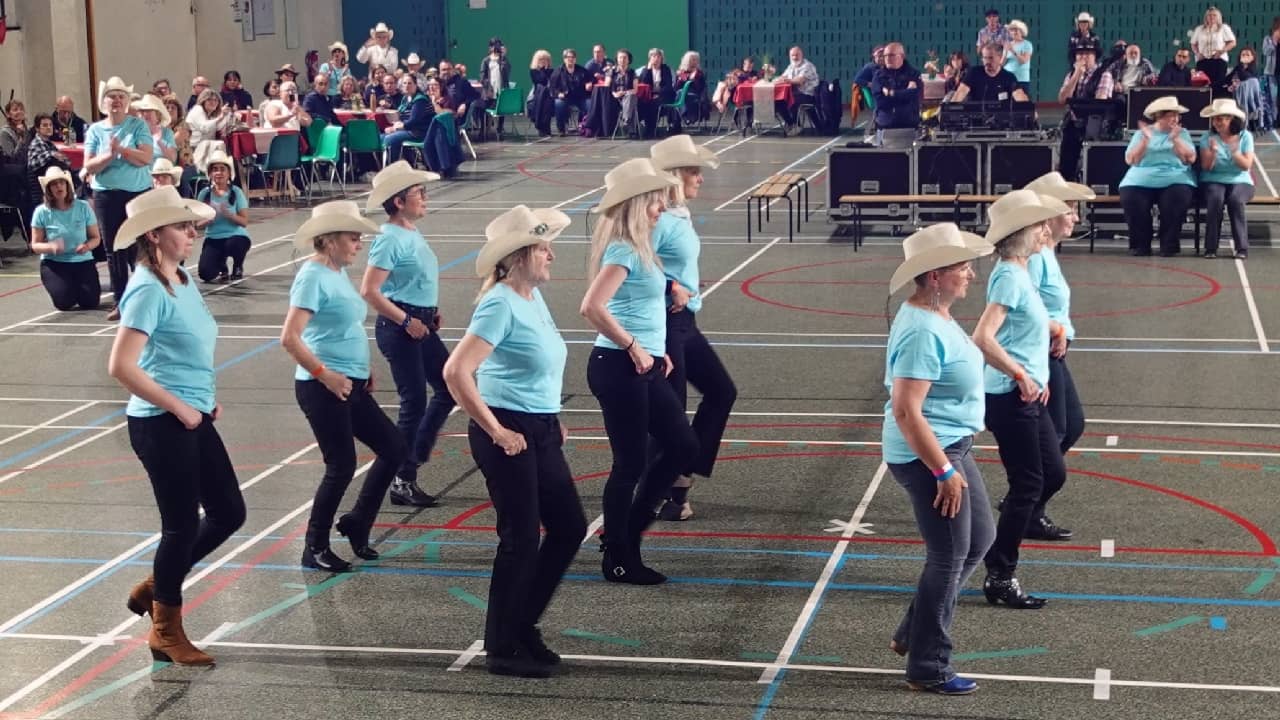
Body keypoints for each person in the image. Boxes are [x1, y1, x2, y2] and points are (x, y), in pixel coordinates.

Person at [442, 205, 585, 679]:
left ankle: (522, 623)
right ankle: (502, 646)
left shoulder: (531, 297)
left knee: (568, 526)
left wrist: (552, 417)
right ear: (520, 255)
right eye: (543, 248)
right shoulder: (500, 302)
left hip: (539, 427)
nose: (551, 256)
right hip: (505, 428)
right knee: (520, 539)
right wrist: (496, 431)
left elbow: (537, 365)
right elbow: (456, 372)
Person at [107, 186, 237, 666]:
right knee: (180, 527)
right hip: (162, 424)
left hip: (192, 413)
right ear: (155, 234)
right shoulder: (144, 288)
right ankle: (166, 630)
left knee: (229, 512)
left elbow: (182, 350)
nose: (192, 233)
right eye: (183, 226)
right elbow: (121, 366)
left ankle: (159, 585)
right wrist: (181, 408)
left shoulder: (181, 278)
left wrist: (203, 399)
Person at [882, 223, 995, 696]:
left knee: (980, 539)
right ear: (933, 276)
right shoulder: (922, 331)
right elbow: (907, 411)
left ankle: (914, 630)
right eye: (961, 266)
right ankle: (928, 666)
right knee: (948, 556)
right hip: (928, 453)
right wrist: (943, 471)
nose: (970, 273)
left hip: (950, 443)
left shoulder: (939, 314)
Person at [580, 158, 698, 584]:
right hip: (618, 365)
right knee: (628, 464)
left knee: (684, 446)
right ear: (635, 205)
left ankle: (625, 535)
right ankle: (619, 554)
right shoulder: (622, 250)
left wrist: (657, 348)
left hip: (645, 363)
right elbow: (592, 306)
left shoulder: (643, 246)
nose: (661, 209)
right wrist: (632, 345)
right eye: (653, 203)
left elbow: (645, 305)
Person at [280, 201, 403, 572]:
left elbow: (340, 327)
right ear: (329, 240)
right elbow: (290, 337)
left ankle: (358, 521)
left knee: (393, 447)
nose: (359, 244)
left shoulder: (335, 272)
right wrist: (325, 374)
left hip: (350, 384)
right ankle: (314, 546)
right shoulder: (312, 276)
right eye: (353, 238)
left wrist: (359, 369)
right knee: (341, 464)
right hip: (322, 388)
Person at [972, 190, 1068, 610]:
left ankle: (997, 555)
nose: (1046, 229)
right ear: (1020, 234)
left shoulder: (1023, 270)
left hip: (1029, 392)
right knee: (1028, 482)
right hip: (1011, 398)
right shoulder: (1009, 274)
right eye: (1039, 225)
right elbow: (983, 337)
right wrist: (1020, 375)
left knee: (1052, 472)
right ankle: (1000, 574)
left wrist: (1049, 339)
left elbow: (1025, 324)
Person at [648, 136, 736, 521]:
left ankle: (679, 475)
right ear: (673, 176)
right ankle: (668, 492)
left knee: (722, 392)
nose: (700, 178)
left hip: (686, 322)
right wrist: (670, 286)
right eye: (693, 171)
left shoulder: (678, 214)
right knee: (671, 412)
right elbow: (628, 263)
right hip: (665, 322)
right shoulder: (660, 219)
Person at [358, 161, 453, 508]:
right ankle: (402, 477)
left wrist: (430, 310)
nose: (425, 198)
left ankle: (410, 463)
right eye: (419, 194)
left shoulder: (410, 230)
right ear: (398, 201)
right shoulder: (389, 239)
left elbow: (414, 279)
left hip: (420, 321)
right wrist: (406, 320)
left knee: (448, 387)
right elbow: (370, 290)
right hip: (400, 328)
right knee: (414, 402)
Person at [1023, 172, 1093, 539]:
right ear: (1051, 213)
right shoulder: (1035, 256)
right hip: (1041, 353)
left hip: (1054, 350)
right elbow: (1026, 306)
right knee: (1057, 431)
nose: (1076, 218)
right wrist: (1057, 329)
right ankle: (1028, 505)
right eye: (1071, 210)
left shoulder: (1048, 250)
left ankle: (1025, 495)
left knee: (1072, 426)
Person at [84, 76, 154, 321]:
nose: (116, 101)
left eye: (120, 96)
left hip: (137, 194)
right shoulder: (95, 130)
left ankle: (147, 297)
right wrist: (110, 156)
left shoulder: (137, 126)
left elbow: (145, 158)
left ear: (127, 102)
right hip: (106, 196)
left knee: (142, 246)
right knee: (114, 249)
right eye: (111, 96)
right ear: (104, 102)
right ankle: (120, 301)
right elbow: (90, 166)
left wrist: (122, 150)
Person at [1119, 96, 1197, 256]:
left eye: (1177, 115)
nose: (1176, 119)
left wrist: (1176, 140)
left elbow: (1190, 159)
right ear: (1159, 116)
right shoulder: (1142, 134)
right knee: (1131, 199)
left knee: (1177, 199)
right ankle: (1140, 245)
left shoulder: (1182, 133)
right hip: (1141, 178)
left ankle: (1169, 244)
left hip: (1175, 177)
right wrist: (1145, 141)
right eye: (1171, 115)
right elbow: (1131, 160)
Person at [30, 167, 102, 311]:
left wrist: (87, 246)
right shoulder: (41, 212)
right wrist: (51, 247)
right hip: (55, 263)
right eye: (54, 184)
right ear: (48, 189)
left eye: (61, 183)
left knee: (90, 302)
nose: (59, 187)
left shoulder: (83, 207)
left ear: (67, 186)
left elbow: (96, 238)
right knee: (64, 302)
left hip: (82, 261)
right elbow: (35, 245)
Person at [1198, 99, 1255, 259]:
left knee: (1236, 200)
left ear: (1231, 119)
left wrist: (1235, 152)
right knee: (1215, 198)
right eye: (1215, 119)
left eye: (1221, 118)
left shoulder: (1245, 137)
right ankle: (1210, 248)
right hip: (1213, 179)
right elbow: (1206, 166)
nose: (1217, 122)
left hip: (1241, 180)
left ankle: (1241, 248)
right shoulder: (1207, 137)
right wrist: (1214, 152)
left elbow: (1246, 165)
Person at [1057, 41, 1114, 181]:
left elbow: (1099, 103)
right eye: (1080, 54)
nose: (1083, 57)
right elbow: (1062, 99)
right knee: (1066, 165)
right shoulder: (1071, 75)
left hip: (1095, 126)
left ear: (1095, 57)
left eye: (1088, 54)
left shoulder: (1104, 75)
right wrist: (1076, 76)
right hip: (1073, 124)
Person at [195, 150, 250, 282]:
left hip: (235, 236)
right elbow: (196, 224)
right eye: (215, 169)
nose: (218, 173)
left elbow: (244, 222)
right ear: (210, 174)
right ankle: (221, 266)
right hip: (213, 238)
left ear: (229, 173)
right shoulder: (204, 194)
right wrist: (208, 220)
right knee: (205, 274)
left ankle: (237, 266)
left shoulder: (236, 192)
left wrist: (229, 215)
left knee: (235, 244)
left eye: (222, 169)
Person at [872, 43, 923, 145]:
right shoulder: (878, 76)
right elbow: (881, 101)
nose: (887, 58)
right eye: (885, 56)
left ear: (902, 56)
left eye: (891, 55)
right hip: (884, 125)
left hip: (909, 125)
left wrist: (891, 93)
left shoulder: (914, 74)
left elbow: (914, 95)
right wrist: (904, 93)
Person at [951, 42, 1030, 102]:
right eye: (985, 58)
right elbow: (961, 92)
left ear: (1000, 58)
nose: (987, 62)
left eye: (991, 58)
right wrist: (949, 110)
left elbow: (1019, 95)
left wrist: (1029, 110)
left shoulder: (1009, 77)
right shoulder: (973, 73)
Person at [25, 113, 72, 212]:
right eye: (45, 125)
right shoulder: (36, 143)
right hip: (41, 191)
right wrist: (51, 155)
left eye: (50, 125)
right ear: (37, 128)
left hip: (54, 186)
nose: (48, 128)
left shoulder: (49, 144)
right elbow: (33, 164)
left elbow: (66, 161)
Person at [382, 75, 433, 163]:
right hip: (408, 129)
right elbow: (401, 115)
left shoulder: (420, 100)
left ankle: (391, 169)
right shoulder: (406, 98)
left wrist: (396, 128)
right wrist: (394, 127)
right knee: (381, 137)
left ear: (415, 85)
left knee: (390, 139)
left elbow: (413, 121)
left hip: (418, 133)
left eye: (410, 83)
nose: (406, 86)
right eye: (404, 83)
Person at [1190, 6, 1237, 97]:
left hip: (1218, 61)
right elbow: (1193, 43)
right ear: (1206, 17)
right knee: (1202, 86)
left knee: (1217, 86)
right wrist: (1197, 53)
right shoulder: (1199, 29)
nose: (1211, 17)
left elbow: (1233, 42)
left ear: (1218, 17)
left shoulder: (1223, 28)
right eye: (1209, 15)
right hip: (1203, 61)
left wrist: (1221, 51)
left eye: (1214, 15)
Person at [185, 89, 233, 170]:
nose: (213, 102)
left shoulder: (210, 114)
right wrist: (220, 117)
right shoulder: (198, 109)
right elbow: (204, 128)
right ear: (203, 100)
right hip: (194, 148)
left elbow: (219, 127)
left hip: (205, 147)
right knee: (220, 144)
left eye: (215, 100)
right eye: (209, 99)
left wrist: (226, 115)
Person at [778, 46, 820, 134]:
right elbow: (783, 76)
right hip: (797, 94)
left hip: (808, 95)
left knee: (791, 99)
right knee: (779, 101)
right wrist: (774, 79)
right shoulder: (791, 66)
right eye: (792, 55)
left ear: (801, 55)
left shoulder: (807, 66)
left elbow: (799, 81)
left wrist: (787, 80)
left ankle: (796, 126)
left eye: (797, 55)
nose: (794, 57)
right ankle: (792, 123)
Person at [550, 49, 591, 136]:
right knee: (559, 104)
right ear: (564, 59)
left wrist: (589, 84)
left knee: (590, 104)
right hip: (565, 98)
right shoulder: (558, 71)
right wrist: (558, 94)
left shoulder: (582, 70)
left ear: (575, 59)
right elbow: (552, 88)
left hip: (580, 97)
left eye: (573, 57)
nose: (570, 59)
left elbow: (590, 80)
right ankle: (561, 128)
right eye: (568, 57)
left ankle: (584, 126)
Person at [638, 48, 678, 138]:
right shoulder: (645, 69)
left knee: (654, 103)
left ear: (661, 58)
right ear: (650, 58)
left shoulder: (666, 69)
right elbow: (643, 83)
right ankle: (641, 128)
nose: (656, 58)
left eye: (658, 56)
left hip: (665, 95)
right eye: (653, 56)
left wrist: (658, 94)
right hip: (649, 95)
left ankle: (650, 129)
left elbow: (668, 86)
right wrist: (648, 70)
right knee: (642, 103)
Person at [480, 38, 513, 135]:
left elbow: (507, 72)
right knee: (483, 108)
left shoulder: (503, 60)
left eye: (498, 46)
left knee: (501, 109)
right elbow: (482, 76)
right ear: (490, 48)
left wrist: (503, 57)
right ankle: (483, 129)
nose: (496, 48)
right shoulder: (486, 60)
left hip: (501, 89)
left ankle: (500, 128)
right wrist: (488, 87)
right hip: (489, 91)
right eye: (494, 46)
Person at [133, 95, 177, 163]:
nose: (144, 114)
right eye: (142, 111)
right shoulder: (135, 132)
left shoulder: (167, 133)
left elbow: (172, 158)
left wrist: (159, 141)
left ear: (158, 115)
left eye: (148, 111)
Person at [440, 59, 481, 130]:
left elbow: (475, 95)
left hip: (455, 117)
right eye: (443, 70)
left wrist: (464, 104)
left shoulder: (461, 82)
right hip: (439, 113)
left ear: (453, 70)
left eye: (448, 69)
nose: (446, 72)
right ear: (440, 71)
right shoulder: (438, 83)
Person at [1227, 47, 1262, 127]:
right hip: (1236, 93)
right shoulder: (1238, 67)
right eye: (1243, 55)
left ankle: (1242, 122)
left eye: (1247, 55)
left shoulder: (1253, 69)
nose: (1245, 56)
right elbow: (1227, 79)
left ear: (1252, 57)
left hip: (1248, 99)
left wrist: (1241, 65)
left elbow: (1243, 77)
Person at [1003, 20, 1034, 94]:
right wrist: (1005, 51)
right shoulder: (1008, 44)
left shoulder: (1027, 44)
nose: (1013, 32)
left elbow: (1023, 61)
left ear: (1022, 31)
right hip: (1007, 77)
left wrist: (1012, 50)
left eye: (1016, 30)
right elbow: (1003, 63)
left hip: (1021, 79)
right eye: (1011, 30)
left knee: (1021, 102)